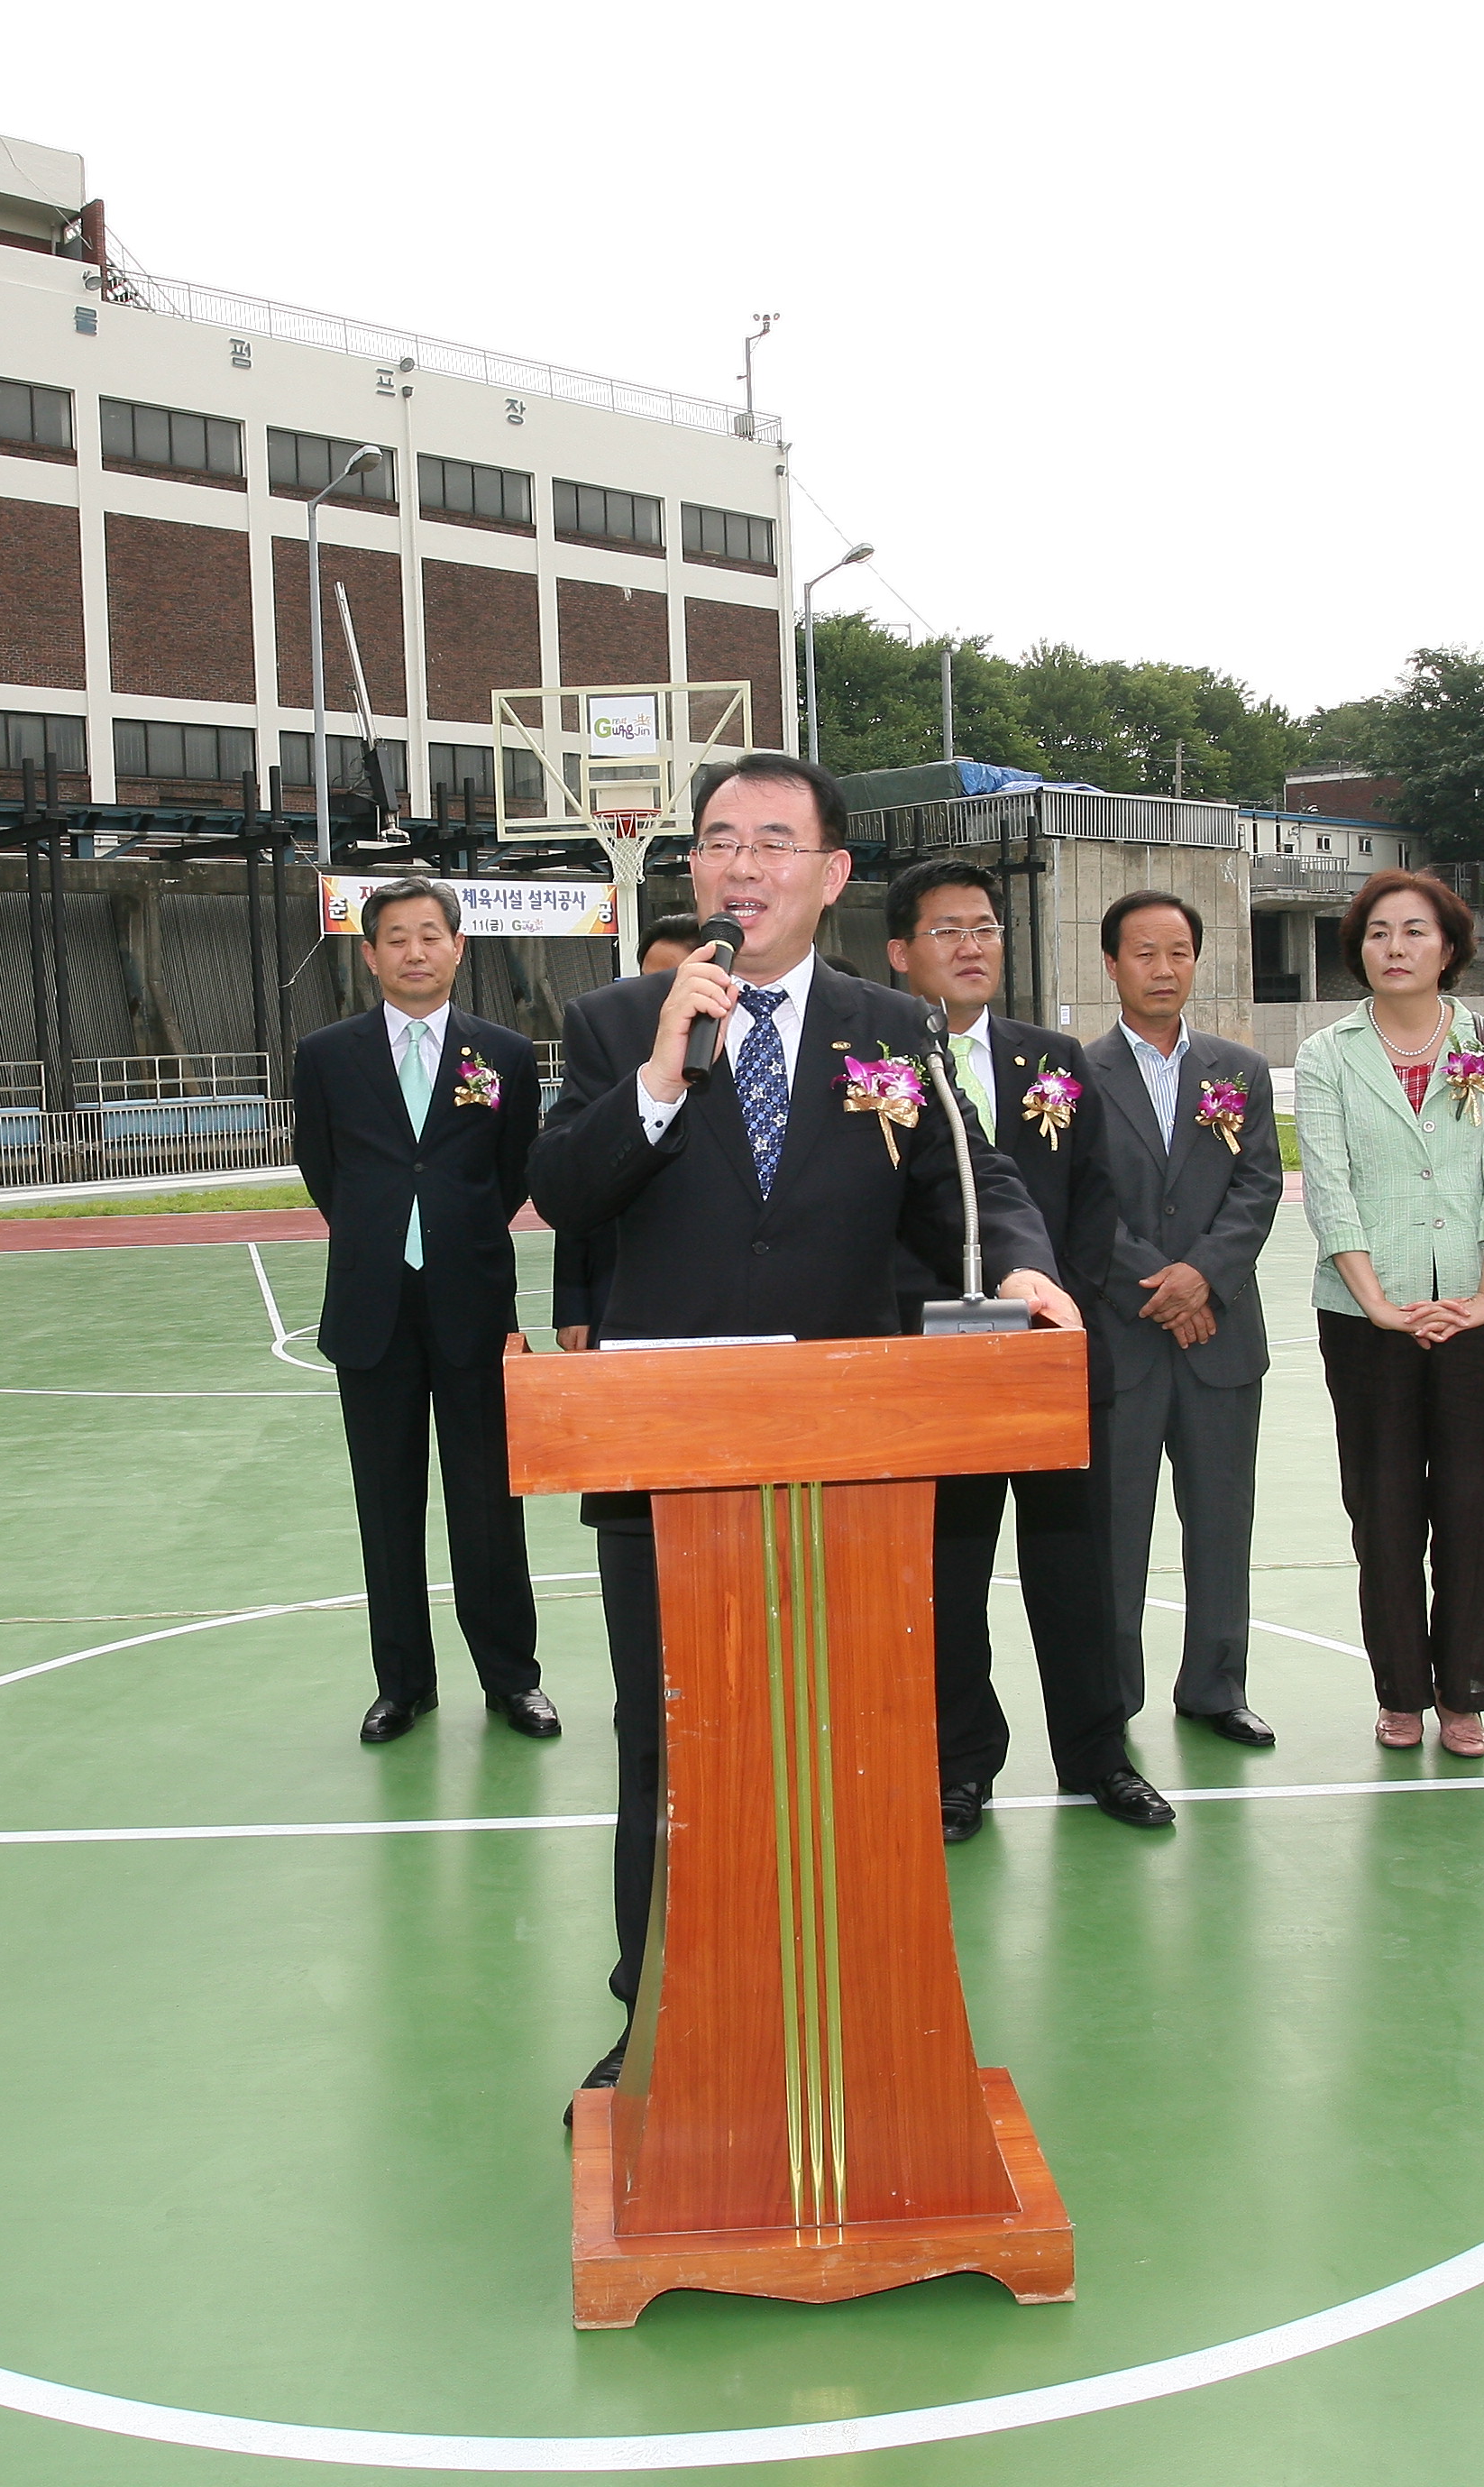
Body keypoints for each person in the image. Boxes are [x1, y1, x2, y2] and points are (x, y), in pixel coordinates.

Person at [527, 756, 1076, 2104]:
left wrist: (1014, 1263)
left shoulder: (890, 1024)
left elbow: (970, 1175)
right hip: (669, 1458)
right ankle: (649, 2012)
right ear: (695, 871)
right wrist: (659, 1079)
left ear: (831, 877)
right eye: (720, 842)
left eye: (776, 842)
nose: (742, 866)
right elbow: (561, 1187)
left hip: (851, 1454)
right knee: (667, 1738)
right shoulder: (618, 1021)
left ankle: (858, 2001)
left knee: (856, 1734)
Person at [882, 858, 1170, 1840]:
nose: (973, 945)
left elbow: (1094, 1201)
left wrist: (1061, 1315)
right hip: (929, 1368)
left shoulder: (1051, 1056)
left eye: (986, 926)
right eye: (948, 928)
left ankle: (1099, 1755)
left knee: (1075, 1568)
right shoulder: (873, 1060)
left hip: (1048, 1357)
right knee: (948, 1577)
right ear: (899, 951)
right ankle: (961, 1765)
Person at [290, 877, 555, 1747]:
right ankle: (403, 1684)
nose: (414, 952)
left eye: (430, 936)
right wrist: (383, 1238)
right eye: (395, 938)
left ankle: (513, 1679)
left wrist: (449, 1230)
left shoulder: (505, 1055)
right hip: (372, 1307)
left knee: (488, 1505)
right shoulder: (326, 1056)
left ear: (458, 946)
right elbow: (325, 1172)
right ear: (369, 955)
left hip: (473, 1305)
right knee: (388, 1506)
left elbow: (512, 1172)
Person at [1292, 870, 1484, 1757]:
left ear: (1448, 946)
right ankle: (1400, 1686)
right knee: (1385, 1504)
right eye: (1377, 933)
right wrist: (1379, 1304)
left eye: (1413, 931)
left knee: (1479, 1505)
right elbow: (1330, 1182)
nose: (1393, 948)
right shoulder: (1327, 1054)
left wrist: (1482, 1293)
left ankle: (1467, 1690)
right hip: (1366, 1316)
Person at [1080, 889, 1285, 1748]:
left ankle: (1214, 1686)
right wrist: (1157, 1287)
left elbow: (1258, 1186)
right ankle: (1112, 1694)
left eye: (1178, 953)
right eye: (1144, 953)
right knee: (1116, 1532)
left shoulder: (1239, 1071)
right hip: (1123, 1342)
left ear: (1197, 961)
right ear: (1111, 965)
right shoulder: (1072, 1074)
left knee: (1220, 1522)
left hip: (1220, 1337)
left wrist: (1203, 1277)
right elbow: (1078, 1204)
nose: (1164, 970)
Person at [551, 912, 703, 1352]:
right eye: (650, 980)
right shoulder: (609, 1059)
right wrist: (573, 1305)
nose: (659, 996)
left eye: (674, 981)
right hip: (617, 1291)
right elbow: (574, 1192)